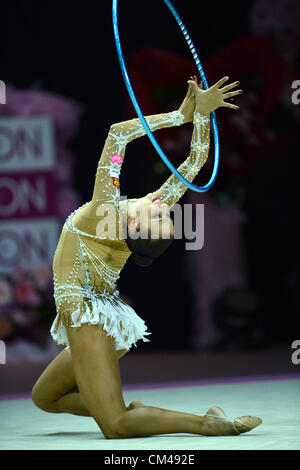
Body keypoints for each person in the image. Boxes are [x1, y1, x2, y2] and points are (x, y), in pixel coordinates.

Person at [31, 76, 262, 438]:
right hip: (101, 318)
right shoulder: (135, 211)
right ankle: (133, 411)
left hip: (88, 320)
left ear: (134, 226)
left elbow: (117, 135)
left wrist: (176, 116)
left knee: (115, 427)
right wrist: (200, 115)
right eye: (164, 214)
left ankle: (206, 424)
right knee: (45, 397)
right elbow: (193, 164)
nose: (161, 206)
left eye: (159, 217)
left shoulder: (103, 212)